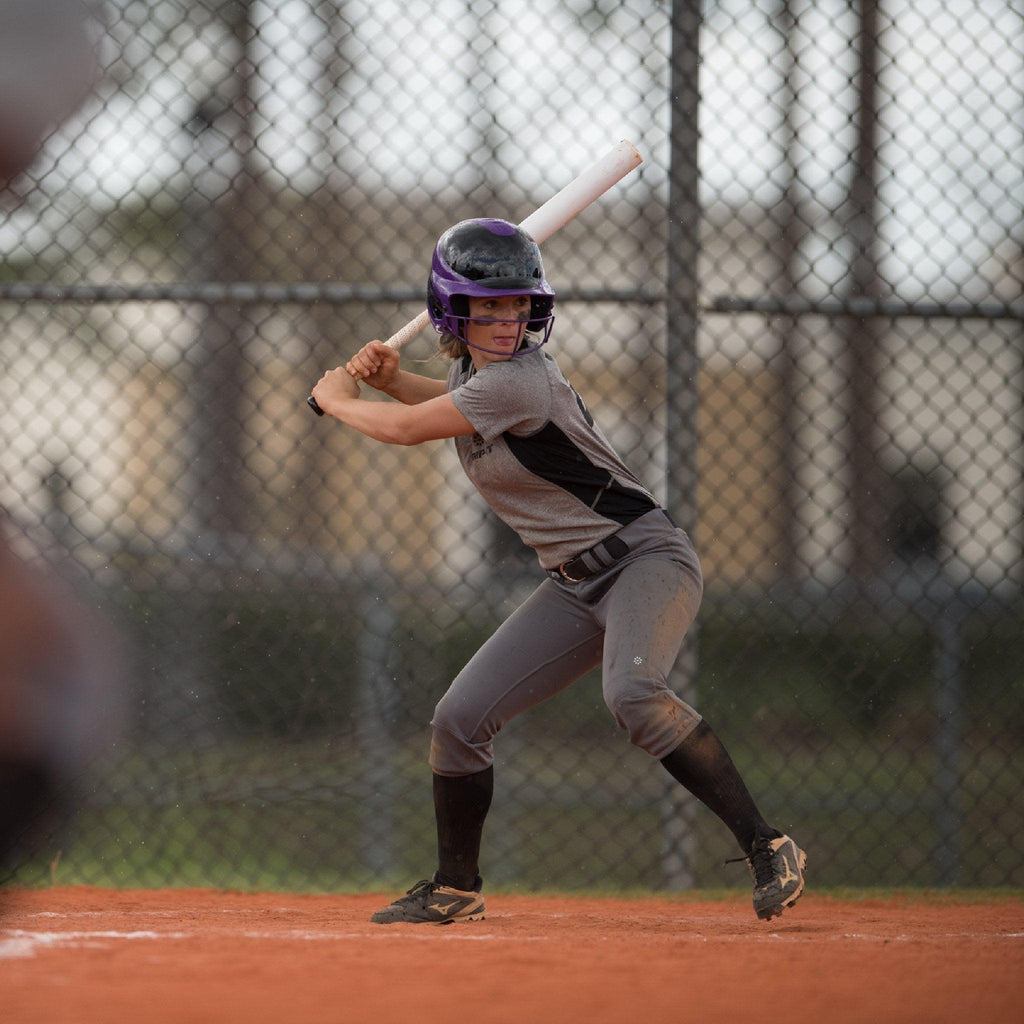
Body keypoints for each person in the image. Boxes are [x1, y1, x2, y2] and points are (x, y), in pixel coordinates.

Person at [311, 218, 806, 924]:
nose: (509, 319)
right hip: (574, 585)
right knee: (458, 721)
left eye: (518, 304)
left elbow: (411, 431)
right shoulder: (473, 378)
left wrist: (337, 400)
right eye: (490, 306)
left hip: (644, 558)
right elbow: (444, 408)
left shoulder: (523, 380)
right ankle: (456, 887)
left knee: (635, 693)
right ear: (454, 313)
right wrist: (393, 382)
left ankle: (768, 844)